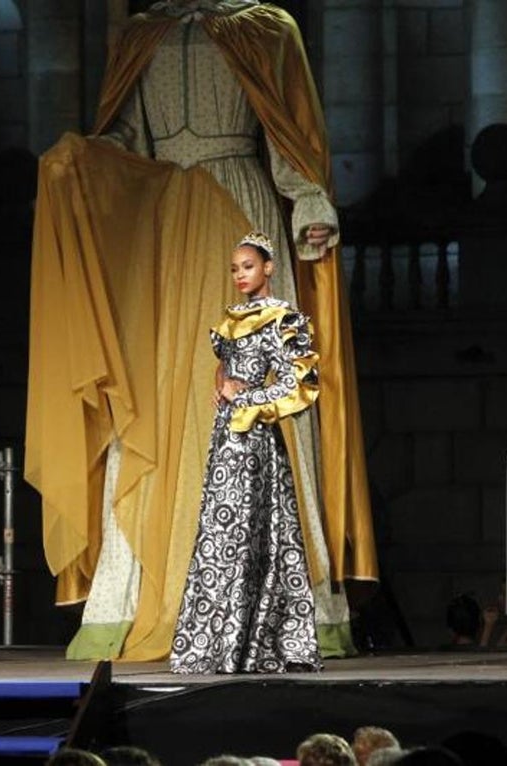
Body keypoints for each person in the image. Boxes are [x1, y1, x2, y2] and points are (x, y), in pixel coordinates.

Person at [25, 0, 377, 664]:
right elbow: (127, 137)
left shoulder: (266, 28)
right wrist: (85, 160)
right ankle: (124, 606)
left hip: (242, 209)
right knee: (155, 397)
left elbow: (285, 127)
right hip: (162, 225)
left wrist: (306, 198)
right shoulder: (140, 35)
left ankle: (290, 608)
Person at [170, 233, 322, 673]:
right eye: (235, 268)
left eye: (248, 266)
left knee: (252, 532)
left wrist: (249, 399)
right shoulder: (232, 318)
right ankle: (216, 643)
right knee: (220, 534)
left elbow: (301, 383)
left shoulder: (283, 318)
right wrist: (223, 385)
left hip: (254, 438)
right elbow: (225, 367)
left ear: (268, 268)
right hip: (226, 439)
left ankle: (251, 642)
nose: (240, 275)